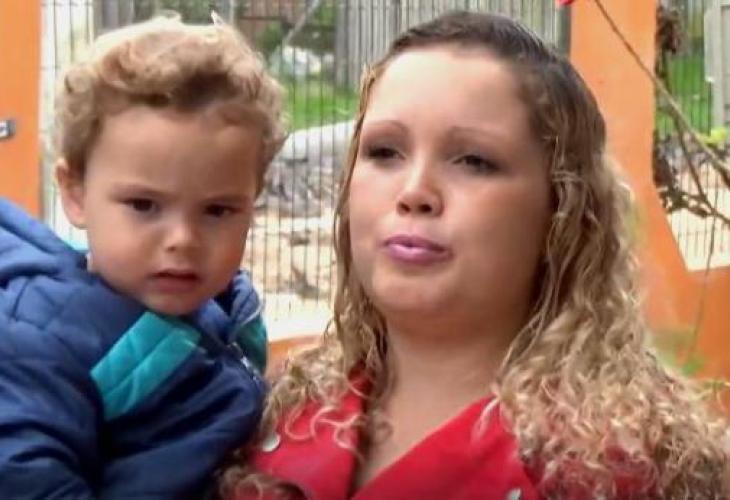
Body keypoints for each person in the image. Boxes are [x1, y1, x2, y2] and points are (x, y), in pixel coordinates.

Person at [219, 11, 729, 500]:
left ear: (563, 208)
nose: (414, 192)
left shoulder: (619, 468)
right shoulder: (265, 411)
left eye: (474, 161)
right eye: (384, 152)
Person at [0, 14, 286, 499]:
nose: (183, 239)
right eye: (144, 205)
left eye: (218, 210)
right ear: (75, 192)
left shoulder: (225, 312)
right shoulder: (41, 344)